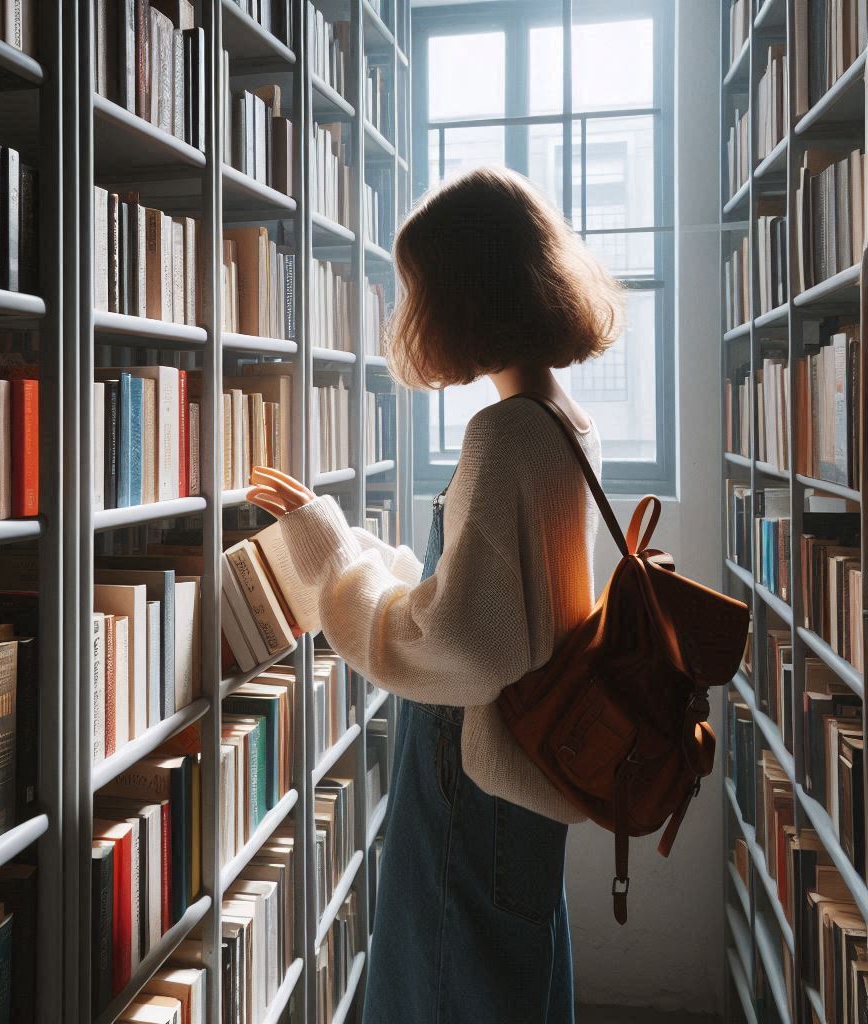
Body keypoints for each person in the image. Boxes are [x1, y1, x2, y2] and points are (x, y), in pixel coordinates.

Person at [246, 165, 623, 1024]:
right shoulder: (565, 420)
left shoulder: (502, 436)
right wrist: (347, 541)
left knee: (450, 987)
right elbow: (489, 597)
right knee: (510, 973)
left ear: (463, 297)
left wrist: (327, 553)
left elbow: (462, 649)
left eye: (417, 290)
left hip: (475, 771)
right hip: (530, 768)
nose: (410, 315)